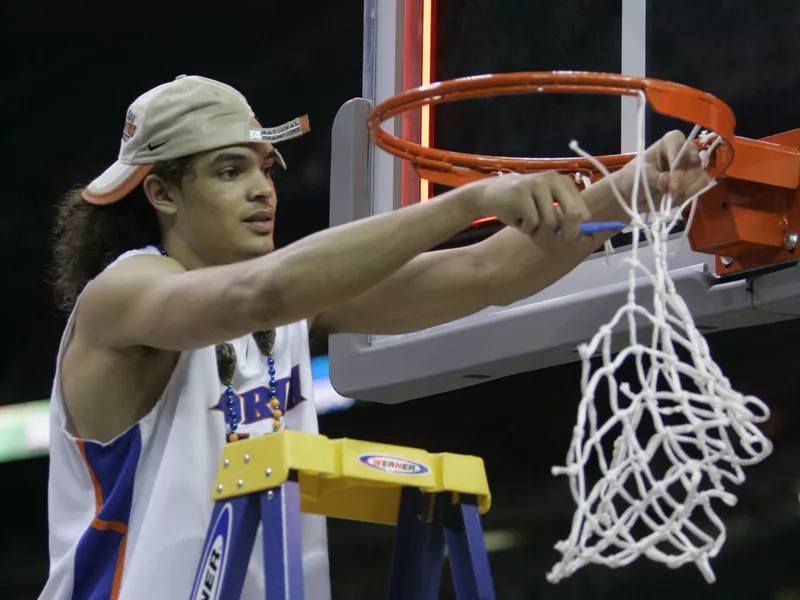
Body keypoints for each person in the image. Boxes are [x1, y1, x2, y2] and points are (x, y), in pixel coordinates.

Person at [38, 74, 709, 600]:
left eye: (267, 168)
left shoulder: (288, 296)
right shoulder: (121, 297)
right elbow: (258, 294)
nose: (262, 190)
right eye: (229, 170)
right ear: (161, 192)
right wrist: (467, 201)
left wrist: (634, 190)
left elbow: (488, 270)